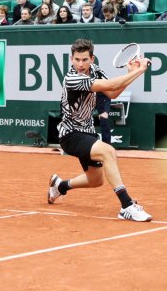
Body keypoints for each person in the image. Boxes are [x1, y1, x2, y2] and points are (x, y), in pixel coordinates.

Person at [47, 38, 153, 222]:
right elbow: (111, 85)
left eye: (84, 60)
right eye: (77, 59)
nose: (80, 64)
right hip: (70, 134)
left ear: (92, 59)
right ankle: (127, 206)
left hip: (87, 132)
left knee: (96, 180)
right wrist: (139, 70)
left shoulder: (96, 71)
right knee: (108, 151)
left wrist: (131, 72)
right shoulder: (72, 78)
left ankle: (60, 186)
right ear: (71, 59)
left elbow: (112, 93)